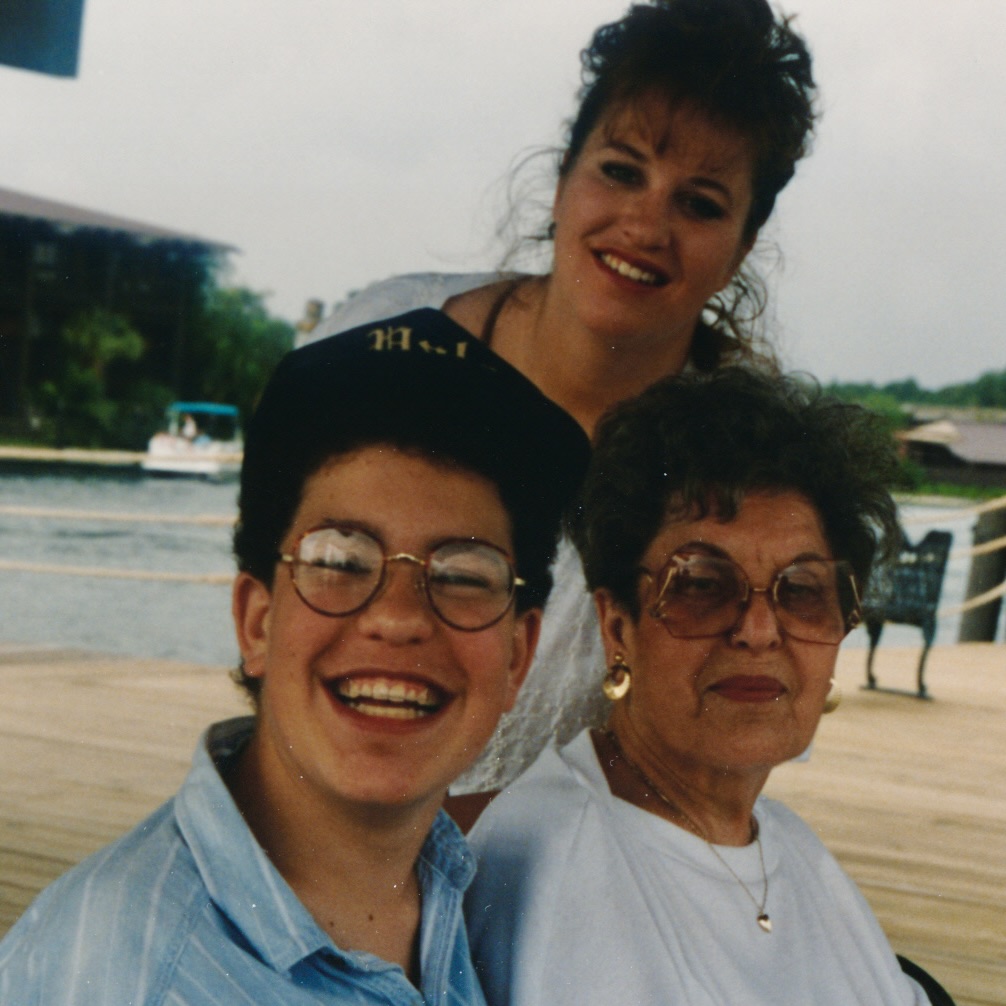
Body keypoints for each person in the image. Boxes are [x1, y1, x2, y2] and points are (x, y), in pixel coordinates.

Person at [304, 0, 819, 798]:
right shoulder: (375, 343)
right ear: (561, 180)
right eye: (621, 171)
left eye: (701, 203)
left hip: (560, 896)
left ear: (742, 248)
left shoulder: (746, 473)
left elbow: (716, 774)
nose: (646, 224)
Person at [0, 309, 590, 1005]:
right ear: (257, 621)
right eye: (340, 558)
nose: (398, 616)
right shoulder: (130, 974)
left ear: (519, 655)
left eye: (463, 574)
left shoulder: (443, 894)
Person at [465, 368, 954, 1005]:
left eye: (802, 591)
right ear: (617, 626)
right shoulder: (558, 866)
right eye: (699, 584)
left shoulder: (786, 844)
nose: (758, 631)